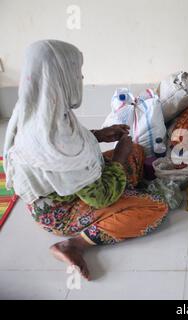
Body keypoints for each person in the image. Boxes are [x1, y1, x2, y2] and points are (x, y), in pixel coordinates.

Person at [3, 40, 168, 280]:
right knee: (155, 207)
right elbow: (101, 197)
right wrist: (120, 157)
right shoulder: (56, 137)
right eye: (77, 73)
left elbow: (60, 152)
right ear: (59, 77)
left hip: (66, 188)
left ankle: (124, 189)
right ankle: (76, 244)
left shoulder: (35, 108)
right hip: (62, 211)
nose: (81, 77)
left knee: (138, 153)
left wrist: (98, 136)